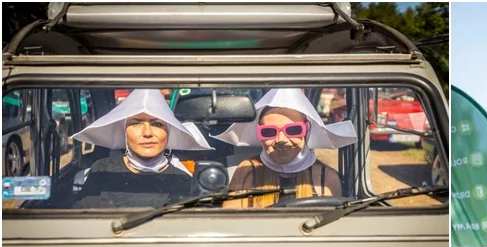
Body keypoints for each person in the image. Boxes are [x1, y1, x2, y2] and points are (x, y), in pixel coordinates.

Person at [214, 88, 357, 207]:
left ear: (306, 130)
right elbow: (234, 224)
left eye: (293, 130)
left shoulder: (326, 177)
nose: (281, 140)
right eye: (269, 132)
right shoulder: (247, 170)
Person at [72, 88, 212, 208]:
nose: (147, 133)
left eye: (157, 124)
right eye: (136, 123)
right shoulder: (102, 170)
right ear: (124, 131)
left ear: (168, 132)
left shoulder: (182, 179)